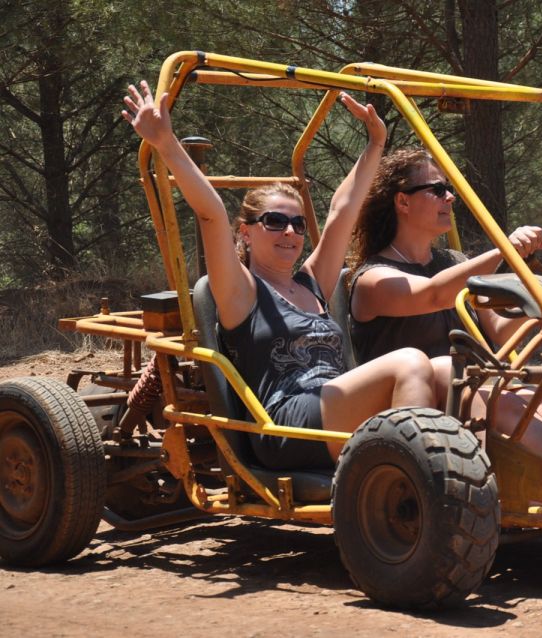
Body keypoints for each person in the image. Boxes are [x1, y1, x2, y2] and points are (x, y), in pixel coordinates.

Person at [123, 81, 435, 470]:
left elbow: (341, 212)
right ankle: (419, 485)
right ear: (246, 232)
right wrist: (166, 143)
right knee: (410, 361)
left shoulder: (311, 283)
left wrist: (375, 144)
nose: (290, 232)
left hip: (334, 405)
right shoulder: (241, 292)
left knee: (448, 371)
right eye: (274, 222)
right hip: (285, 421)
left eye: (298, 225)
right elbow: (211, 213)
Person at [348, 148, 542, 462]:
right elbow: (433, 295)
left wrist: (534, 290)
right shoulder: (372, 279)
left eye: (450, 189)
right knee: (504, 403)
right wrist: (505, 250)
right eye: (437, 190)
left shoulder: (454, 263)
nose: (450, 198)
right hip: (408, 413)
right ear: (402, 201)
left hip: (467, 389)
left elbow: (500, 331)